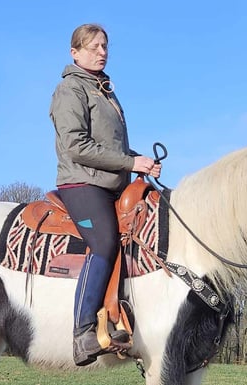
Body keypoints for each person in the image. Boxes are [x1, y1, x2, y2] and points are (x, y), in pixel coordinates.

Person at [50, 23, 161, 366]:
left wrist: (138, 163)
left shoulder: (104, 90)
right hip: (81, 182)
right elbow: (77, 145)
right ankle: (83, 332)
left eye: (104, 47)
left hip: (110, 183)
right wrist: (131, 160)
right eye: (94, 46)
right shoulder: (71, 90)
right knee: (104, 242)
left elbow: (111, 147)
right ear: (75, 52)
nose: (102, 52)